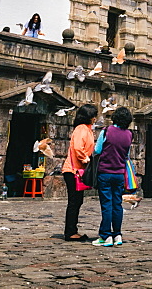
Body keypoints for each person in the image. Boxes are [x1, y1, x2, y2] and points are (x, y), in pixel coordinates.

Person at [93, 107, 133, 247]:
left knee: (106, 205)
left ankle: (105, 236)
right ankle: (117, 235)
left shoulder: (107, 131)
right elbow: (127, 155)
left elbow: (97, 150)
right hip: (119, 174)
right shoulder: (129, 134)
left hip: (105, 172)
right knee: (117, 204)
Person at [61, 103, 98, 241]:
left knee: (77, 201)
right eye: (93, 115)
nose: (95, 118)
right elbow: (78, 148)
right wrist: (87, 160)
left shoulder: (87, 129)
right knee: (74, 201)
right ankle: (70, 232)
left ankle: (72, 230)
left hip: (77, 170)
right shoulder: (81, 129)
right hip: (73, 170)